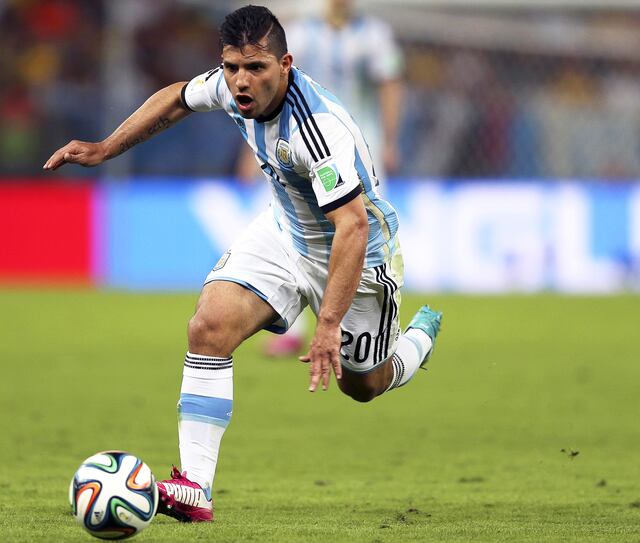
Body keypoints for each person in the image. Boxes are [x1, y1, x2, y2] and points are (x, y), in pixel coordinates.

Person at [44, 5, 441, 523]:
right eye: (231, 67)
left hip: (357, 257)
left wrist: (326, 325)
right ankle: (195, 488)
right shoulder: (231, 87)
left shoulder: (316, 131)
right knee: (208, 327)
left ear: (286, 64)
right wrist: (104, 149)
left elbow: (353, 226)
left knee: (361, 385)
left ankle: (419, 339)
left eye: (255, 68)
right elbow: (176, 98)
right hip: (284, 232)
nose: (240, 81)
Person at [256, 0, 405, 356]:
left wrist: (391, 138)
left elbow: (390, 85)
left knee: (364, 227)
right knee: (295, 228)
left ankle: (378, 320)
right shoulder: (301, 33)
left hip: (360, 145)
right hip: (302, 145)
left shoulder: (375, 35)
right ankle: (293, 329)